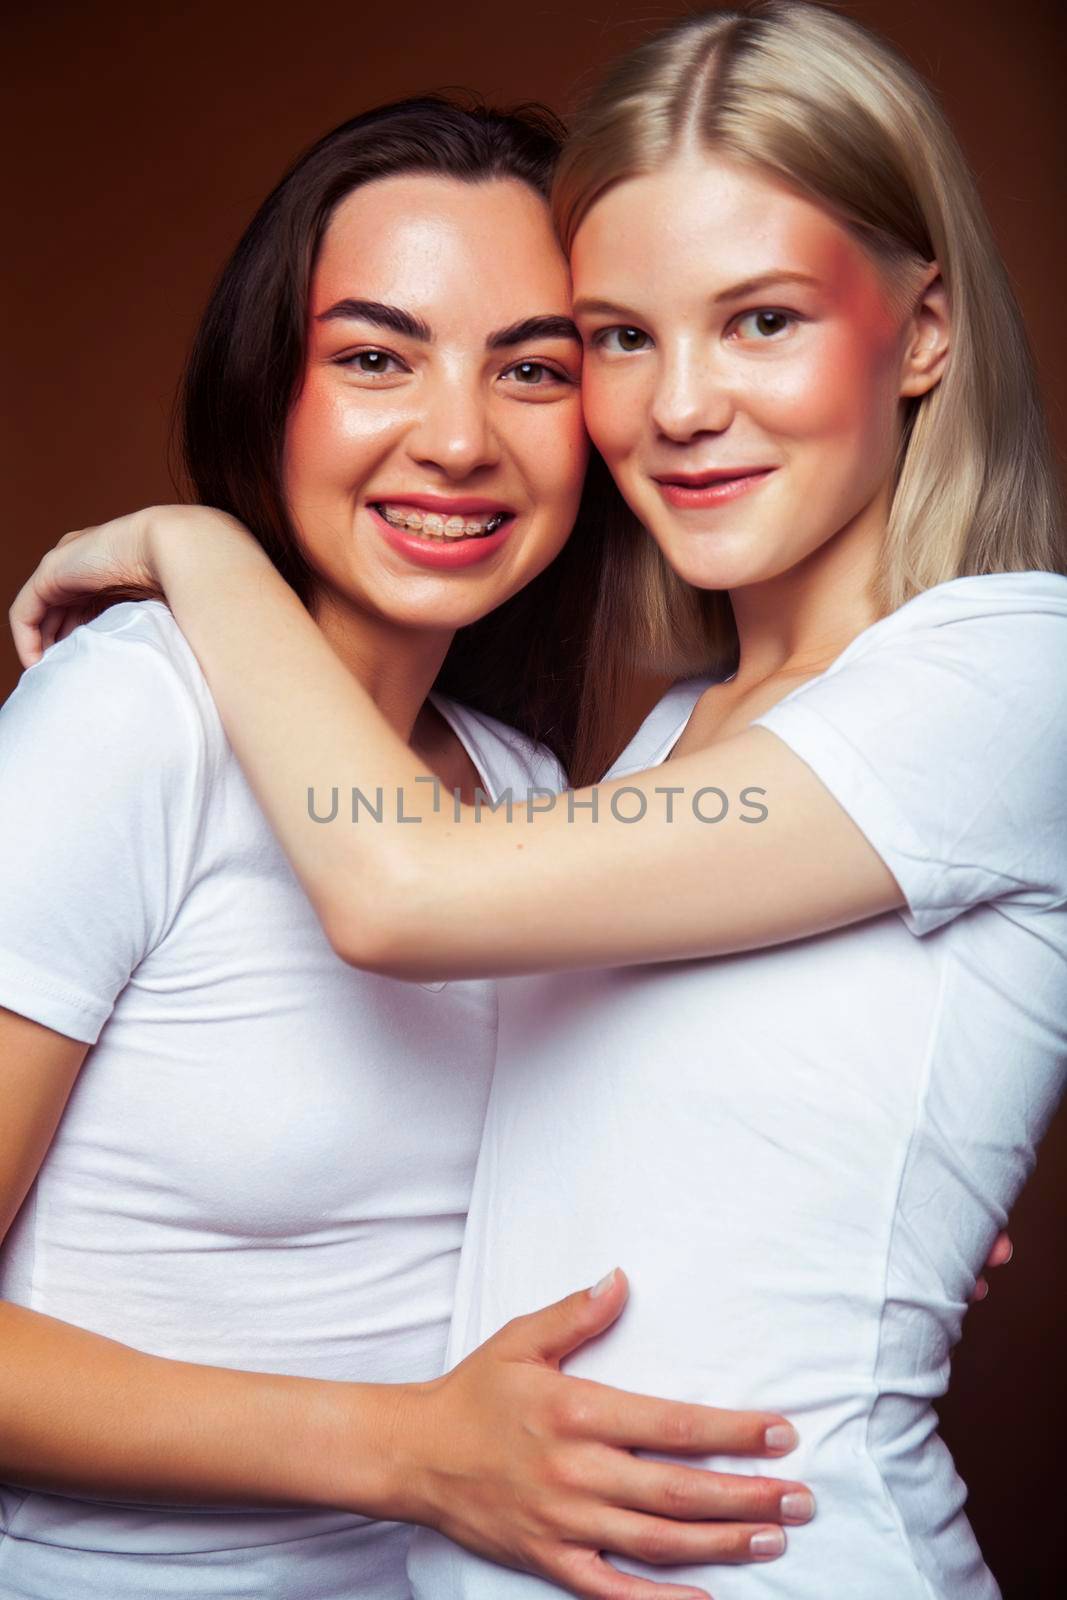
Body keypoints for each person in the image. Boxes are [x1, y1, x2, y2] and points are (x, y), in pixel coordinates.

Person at [10, 7, 1031, 1597]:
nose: (457, 438)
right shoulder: (163, 713)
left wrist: (197, 549)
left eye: (539, 363)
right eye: (371, 357)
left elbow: (424, 910)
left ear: (925, 331)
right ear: (270, 382)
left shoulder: (575, 781)